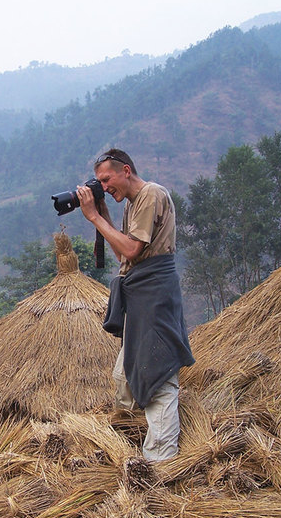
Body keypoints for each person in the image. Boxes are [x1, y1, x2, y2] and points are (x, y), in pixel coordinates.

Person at [76, 148, 195, 461]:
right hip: (142, 294)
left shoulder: (150, 195)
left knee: (158, 375)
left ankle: (161, 461)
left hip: (154, 296)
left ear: (125, 171)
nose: (104, 186)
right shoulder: (132, 204)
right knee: (126, 374)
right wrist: (102, 215)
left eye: (107, 179)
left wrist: (93, 218)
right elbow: (123, 253)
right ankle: (132, 438)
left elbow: (129, 250)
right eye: (99, 182)